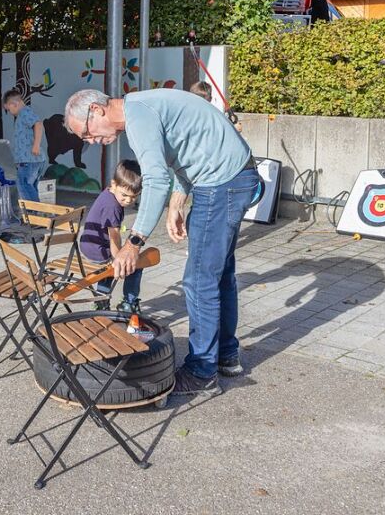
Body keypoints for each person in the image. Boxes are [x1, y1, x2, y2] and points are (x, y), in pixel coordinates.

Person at [64, 87, 259, 396]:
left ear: (97, 111)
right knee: (219, 275)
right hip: (233, 178)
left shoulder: (138, 116)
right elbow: (187, 151)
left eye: (86, 134)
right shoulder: (144, 108)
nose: (90, 142)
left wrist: (134, 242)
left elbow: (155, 180)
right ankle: (226, 355)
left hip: (221, 185)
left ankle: (202, 371)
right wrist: (177, 204)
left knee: (198, 280)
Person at [79, 160, 143, 314]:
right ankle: (129, 302)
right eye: (125, 195)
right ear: (114, 184)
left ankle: (102, 302)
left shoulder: (109, 193)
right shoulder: (113, 207)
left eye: (134, 197)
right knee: (136, 264)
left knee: (107, 272)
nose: (128, 200)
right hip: (98, 250)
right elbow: (114, 236)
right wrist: (119, 259)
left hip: (89, 246)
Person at [3, 89, 48, 202]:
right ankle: (36, 213)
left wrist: (36, 145)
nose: (10, 112)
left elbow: (38, 124)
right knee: (30, 187)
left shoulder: (25, 113)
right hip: (32, 160)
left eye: (9, 109)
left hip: (29, 160)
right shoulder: (23, 115)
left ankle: (33, 214)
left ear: (15, 104)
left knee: (24, 185)